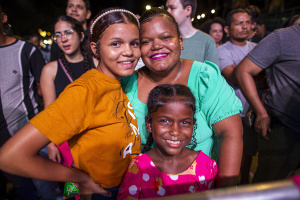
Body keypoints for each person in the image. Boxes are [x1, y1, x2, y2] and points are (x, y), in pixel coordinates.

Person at [0, 7, 141, 199]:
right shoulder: (83, 91)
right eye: (116, 43)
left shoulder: (122, 80)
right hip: (101, 190)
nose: (128, 51)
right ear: (95, 48)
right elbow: (10, 157)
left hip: (127, 184)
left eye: (135, 43)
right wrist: (79, 179)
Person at [122, 8, 243, 188]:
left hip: (201, 188)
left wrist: (224, 192)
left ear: (180, 41)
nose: (156, 46)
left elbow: (230, 133)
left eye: (165, 38)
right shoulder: (127, 84)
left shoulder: (205, 78)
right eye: (146, 41)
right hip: (141, 189)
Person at [0, 4, 64, 200]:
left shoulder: (25, 50)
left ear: (3, 18)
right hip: (2, 144)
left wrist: (52, 139)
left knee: (47, 192)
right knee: (21, 192)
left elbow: (44, 90)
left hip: (30, 139)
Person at [117, 84, 217, 199]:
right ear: (149, 124)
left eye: (185, 123)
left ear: (193, 125)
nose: (175, 131)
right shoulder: (138, 168)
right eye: (165, 121)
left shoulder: (205, 165)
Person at [236, 24, 300, 183]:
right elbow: (243, 71)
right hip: (284, 129)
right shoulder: (283, 37)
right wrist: (261, 112)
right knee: (269, 188)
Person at [42, 16, 96, 168]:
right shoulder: (50, 70)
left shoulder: (97, 63)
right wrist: (51, 144)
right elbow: (50, 112)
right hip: (68, 142)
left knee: (103, 188)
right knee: (74, 189)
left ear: (81, 35)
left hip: (98, 137)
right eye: (58, 35)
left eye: (68, 32)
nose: (63, 39)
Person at [166, 0, 219, 65]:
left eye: (172, 8)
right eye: (167, 8)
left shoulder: (207, 41)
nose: (167, 12)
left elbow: (212, 74)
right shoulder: (165, 40)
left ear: (188, 10)